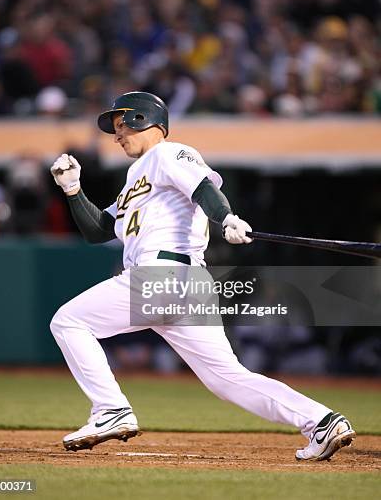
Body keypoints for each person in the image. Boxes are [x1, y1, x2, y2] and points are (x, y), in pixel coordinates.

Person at [50, 91, 355, 461]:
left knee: (69, 322)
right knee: (227, 379)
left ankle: (110, 409)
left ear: (144, 120)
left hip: (163, 273)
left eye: (121, 125)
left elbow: (203, 188)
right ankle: (321, 421)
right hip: (182, 283)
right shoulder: (135, 177)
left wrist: (225, 218)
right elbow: (100, 229)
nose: (117, 136)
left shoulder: (168, 152)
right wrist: (73, 190)